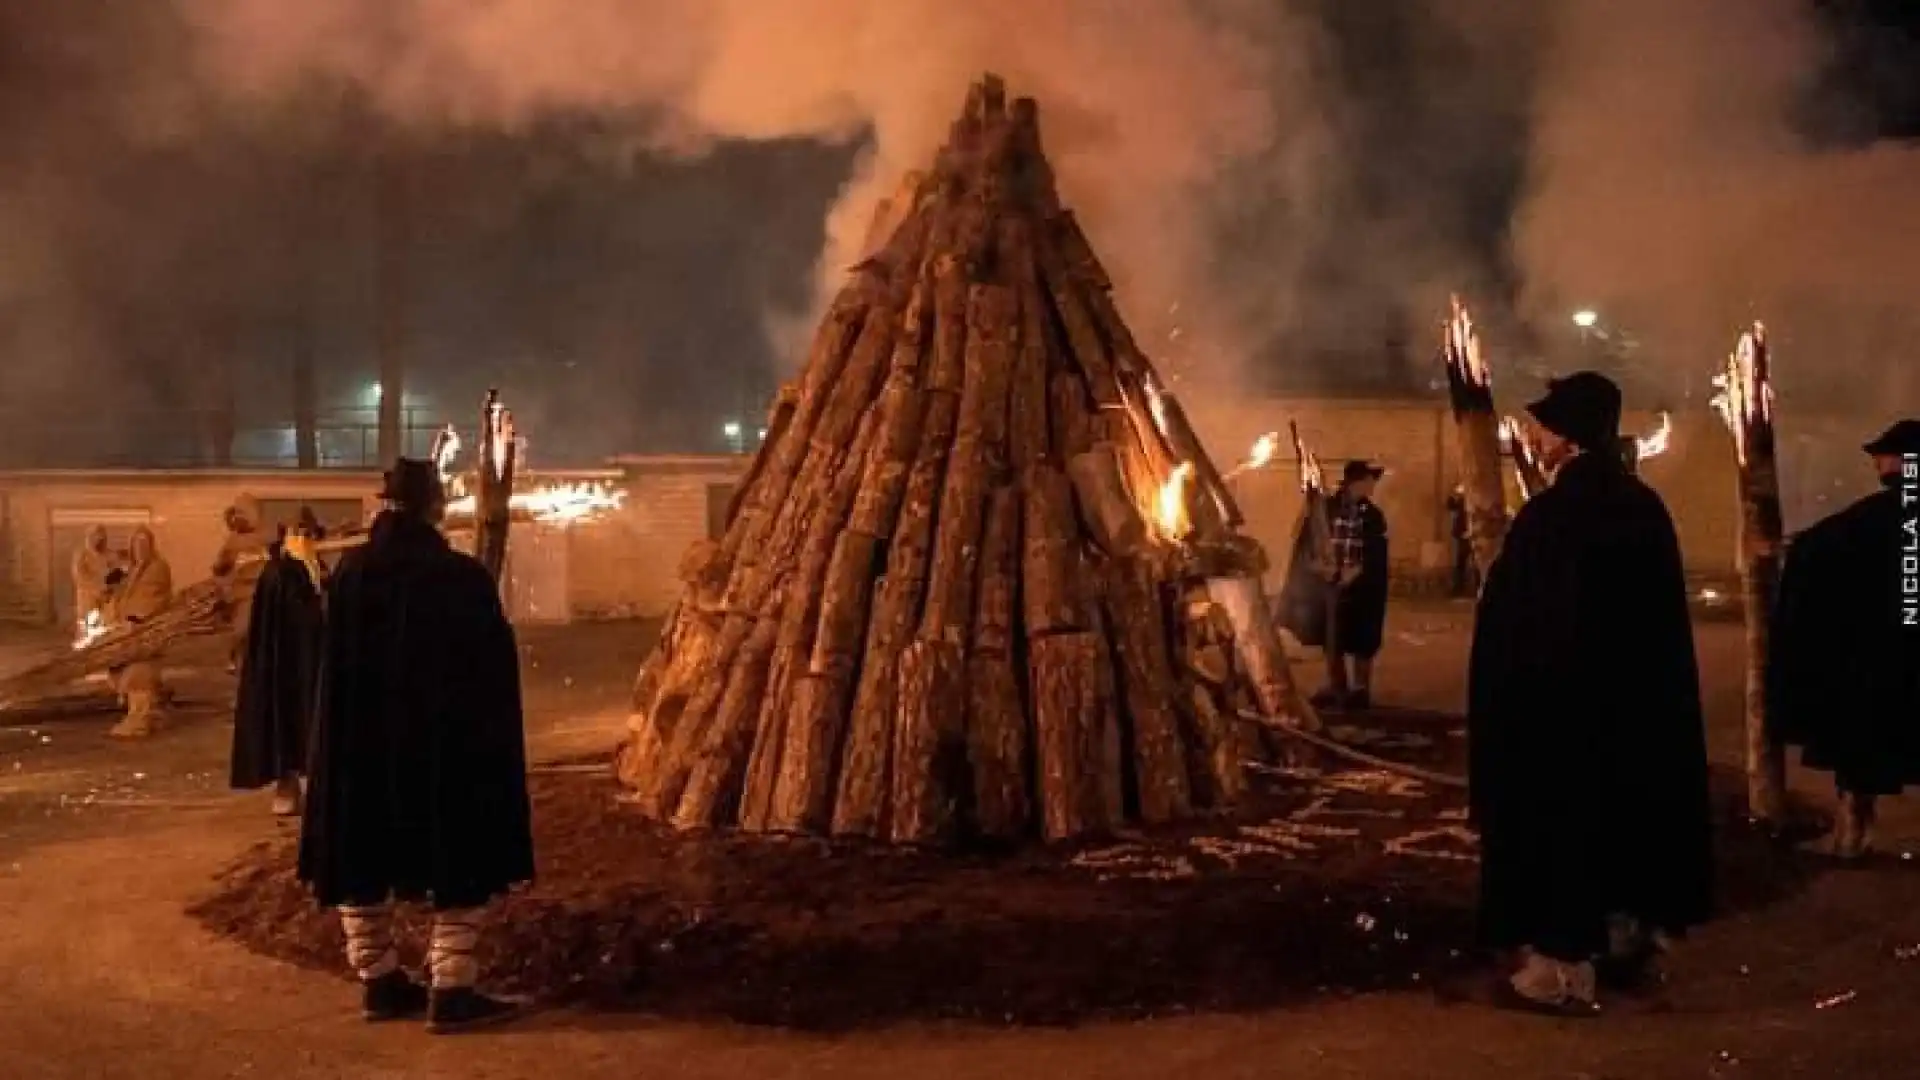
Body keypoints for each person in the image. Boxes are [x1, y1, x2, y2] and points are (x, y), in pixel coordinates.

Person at [1467, 371, 1713, 1016]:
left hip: (1566, 712)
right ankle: (1627, 939)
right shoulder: (1644, 506)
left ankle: (1560, 972)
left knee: (1562, 825)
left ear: (1567, 437)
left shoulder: (1553, 516)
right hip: (1635, 709)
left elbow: (1526, 625)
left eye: (1544, 428)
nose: (1536, 438)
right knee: (1626, 817)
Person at [298, 458, 533, 1032]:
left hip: (362, 751)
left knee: (363, 854)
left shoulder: (350, 573)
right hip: (443, 751)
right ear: (435, 506)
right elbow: (491, 672)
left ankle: (378, 979)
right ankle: (452, 987)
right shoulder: (460, 577)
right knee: (458, 855)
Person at [1769, 418, 1920, 859]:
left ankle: (1853, 836)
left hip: (1879, 662)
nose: (1876, 461)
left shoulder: (1865, 521)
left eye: (1883, 454)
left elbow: (1813, 555)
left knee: (1863, 750)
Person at [230, 523, 326, 817]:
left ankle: (310, 785)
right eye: (300, 533)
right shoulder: (278, 573)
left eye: (309, 534)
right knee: (286, 721)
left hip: (313, 664)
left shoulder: (315, 569)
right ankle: (287, 783)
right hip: (284, 665)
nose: (305, 539)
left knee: (312, 722)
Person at [106, 526, 174, 739]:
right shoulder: (134, 569)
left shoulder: (157, 568)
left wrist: (135, 618)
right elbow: (123, 595)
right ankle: (152, 714)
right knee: (121, 669)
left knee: (139, 674)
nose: (140, 548)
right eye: (136, 544)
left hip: (146, 631)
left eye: (144, 544)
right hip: (129, 631)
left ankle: (139, 721)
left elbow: (152, 596)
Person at [212, 503, 272, 676]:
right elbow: (220, 566)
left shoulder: (265, 538)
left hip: (260, 590)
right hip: (241, 594)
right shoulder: (232, 542)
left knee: (254, 632)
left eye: (242, 513)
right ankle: (237, 661)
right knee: (241, 631)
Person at [69, 526, 116, 641]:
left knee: (104, 631)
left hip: (105, 602)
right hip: (87, 600)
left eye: (101, 537)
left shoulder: (109, 556)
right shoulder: (82, 556)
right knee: (86, 631)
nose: (98, 540)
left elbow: (116, 575)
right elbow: (79, 577)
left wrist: (109, 588)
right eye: (95, 537)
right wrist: (96, 588)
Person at [1446, 485, 1475, 597]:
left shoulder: (1472, 501)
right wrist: (1453, 495)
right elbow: (1451, 506)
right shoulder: (1462, 501)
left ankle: (1477, 588)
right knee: (1460, 564)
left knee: (1476, 563)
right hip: (1463, 535)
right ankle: (1458, 589)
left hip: (1472, 535)